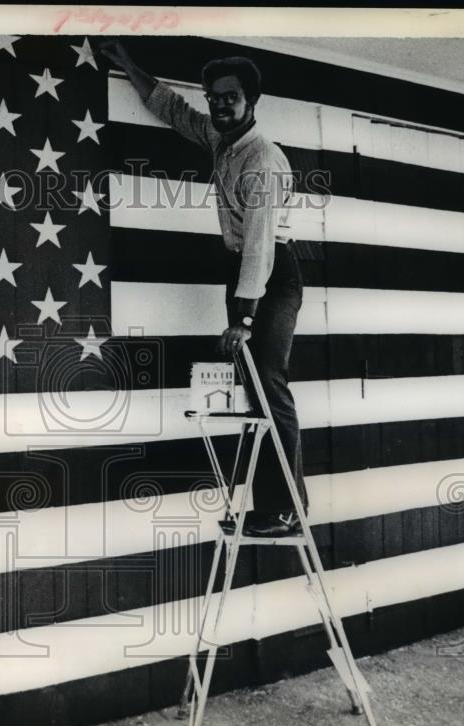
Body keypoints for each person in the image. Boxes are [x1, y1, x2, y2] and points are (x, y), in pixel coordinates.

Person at [99, 40, 307, 537]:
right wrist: (129, 63)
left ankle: (286, 510)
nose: (219, 105)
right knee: (255, 393)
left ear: (251, 101)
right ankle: (270, 508)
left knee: (269, 387)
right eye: (214, 97)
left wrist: (245, 318)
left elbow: (260, 246)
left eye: (229, 98)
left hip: (269, 277)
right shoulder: (222, 139)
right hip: (244, 274)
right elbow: (174, 110)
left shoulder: (261, 159)